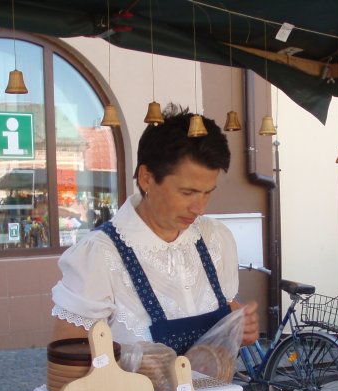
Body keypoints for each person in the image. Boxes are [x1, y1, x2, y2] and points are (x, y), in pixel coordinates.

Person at [50, 106, 258, 351]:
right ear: (146, 178)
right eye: (187, 193)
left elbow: (227, 311)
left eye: (207, 193)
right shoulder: (99, 256)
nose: (200, 208)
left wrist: (240, 328)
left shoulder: (215, 238)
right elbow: (67, 362)